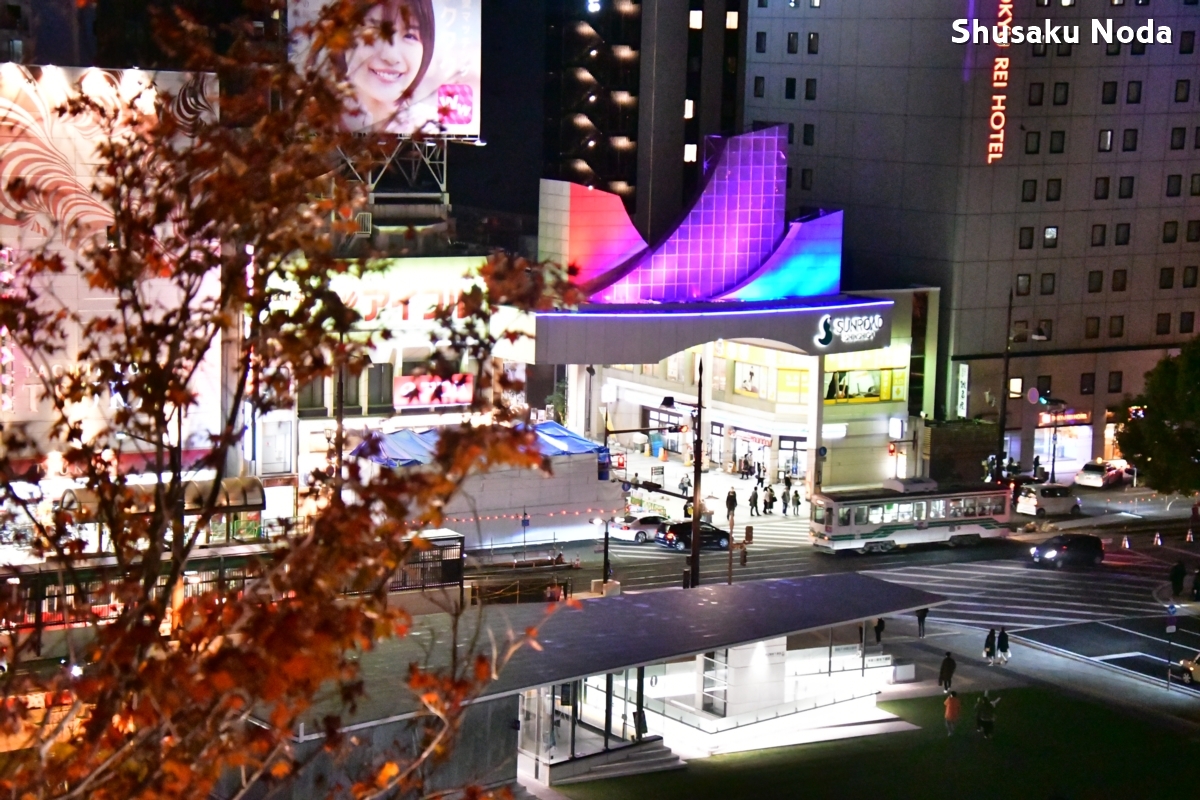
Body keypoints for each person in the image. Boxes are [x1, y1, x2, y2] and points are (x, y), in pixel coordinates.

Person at [340, 0, 437, 131]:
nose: (391, 56)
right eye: (374, 31)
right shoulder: (312, 121)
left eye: (409, 36)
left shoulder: (429, 128)